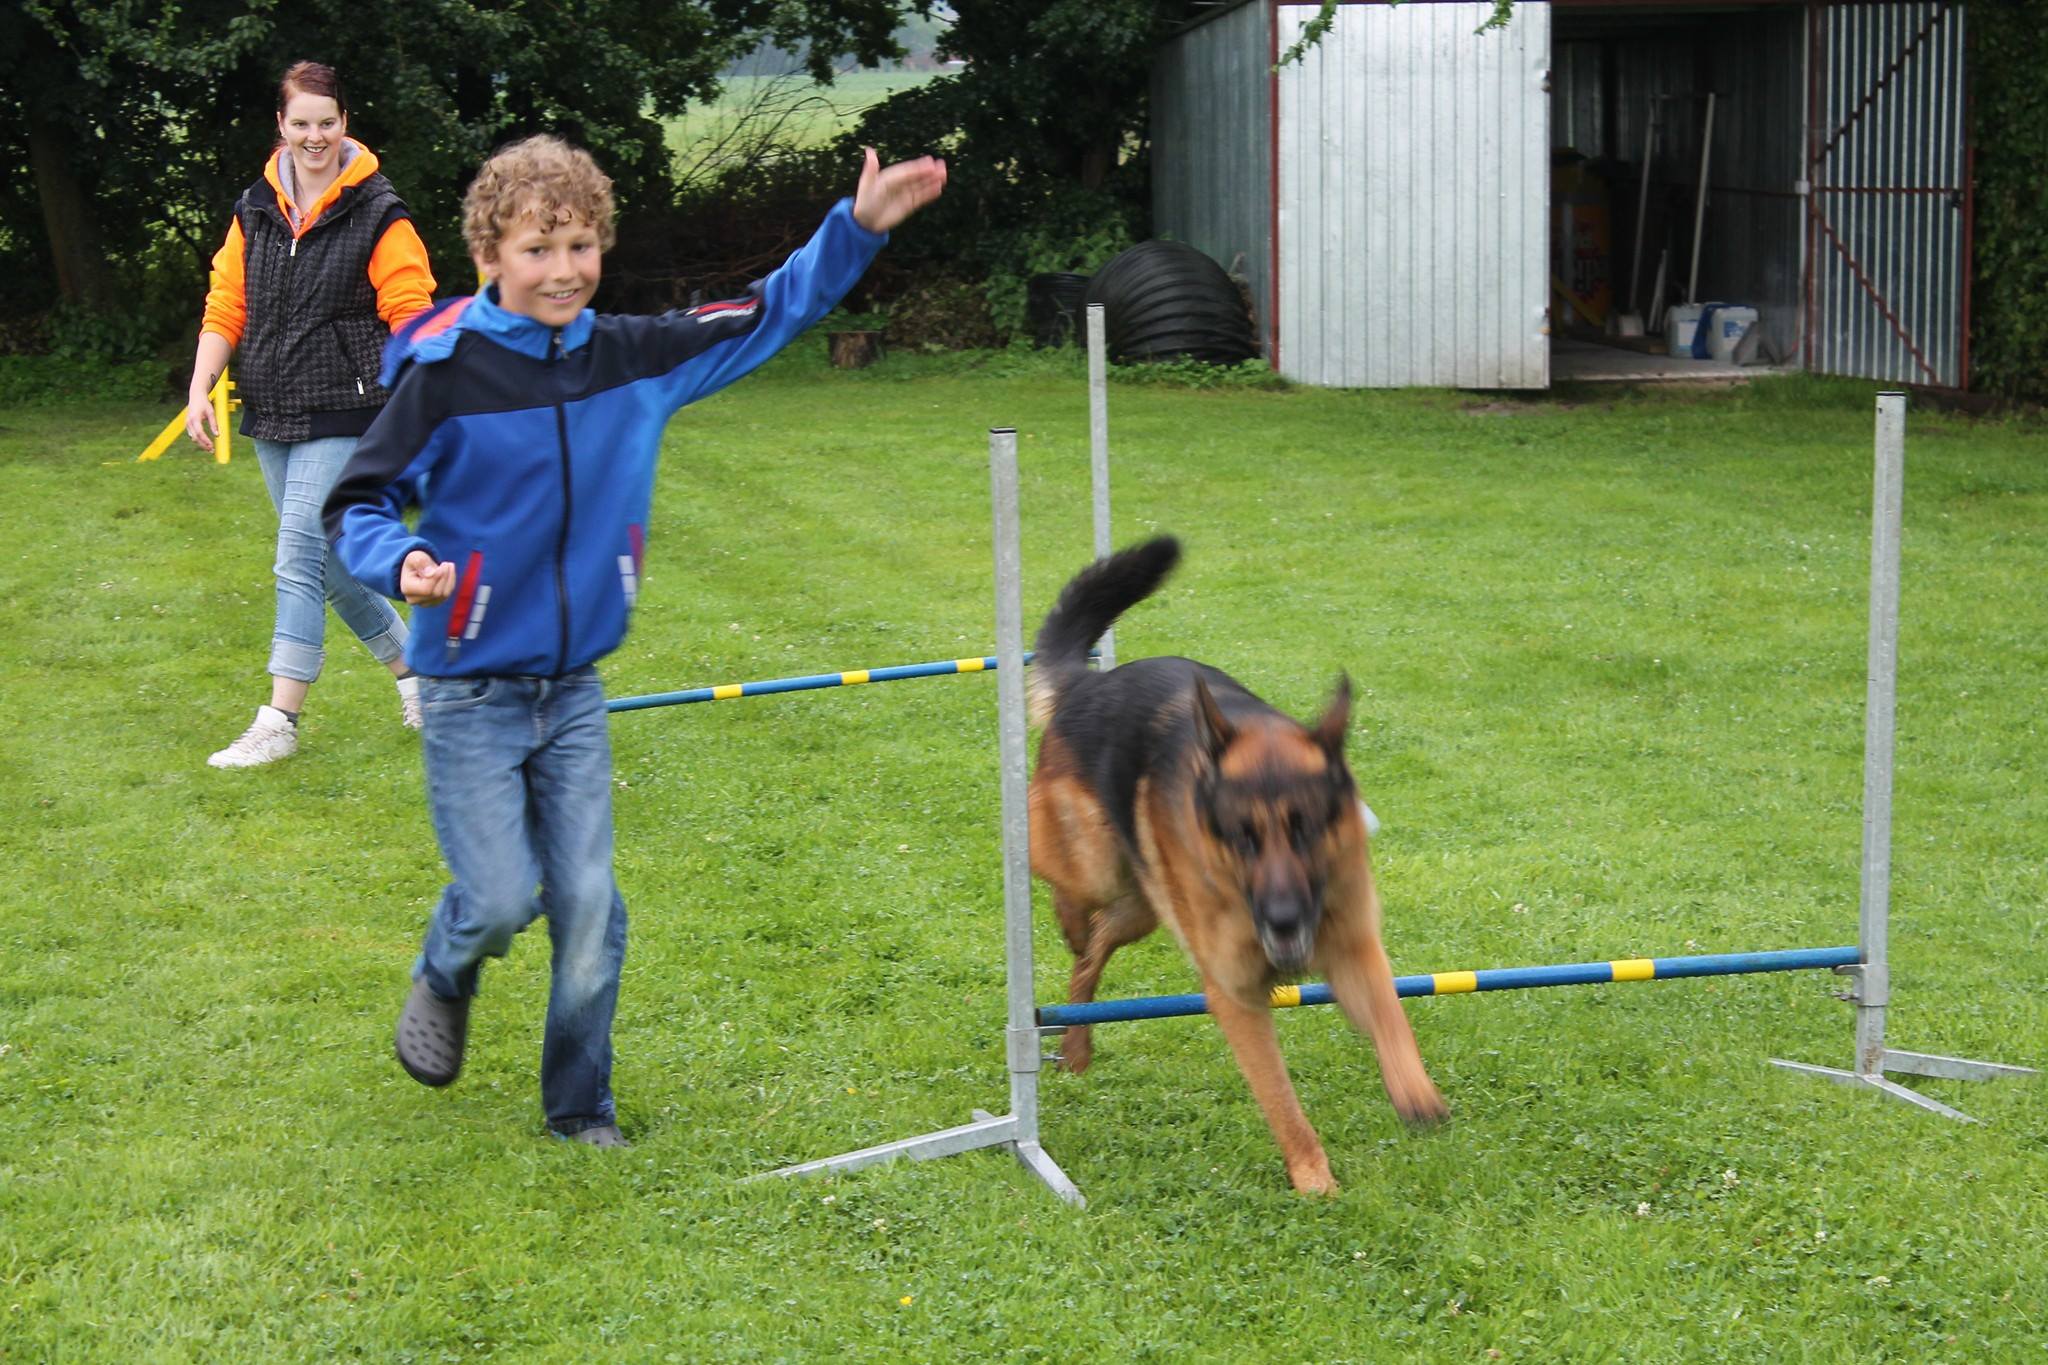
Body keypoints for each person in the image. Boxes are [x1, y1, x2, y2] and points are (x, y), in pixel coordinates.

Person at [324, 134, 946, 1147]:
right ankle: (447, 968)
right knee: (493, 900)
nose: (562, 270)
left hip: (570, 691)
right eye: (536, 250)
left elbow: (768, 309)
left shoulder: (635, 359)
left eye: (579, 245)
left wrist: (855, 230)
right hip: (469, 690)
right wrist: (401, 564)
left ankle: (579, 1110)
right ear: (488, 256)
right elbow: (357, 502)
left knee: (587, 907)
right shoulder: (445, 375)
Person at [185, 60, 437, 768]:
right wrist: (202, 384)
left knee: (296, 554)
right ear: (282, 126)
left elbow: (410, 309)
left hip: (351, 407)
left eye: (327, 122)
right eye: (301, 123)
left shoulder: (379, 211)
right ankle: (421, 676)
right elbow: (226, 303)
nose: (315, 136)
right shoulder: (256, 207)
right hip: (272, 405)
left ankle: (278, 720)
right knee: (329, 568)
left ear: (345, 123)